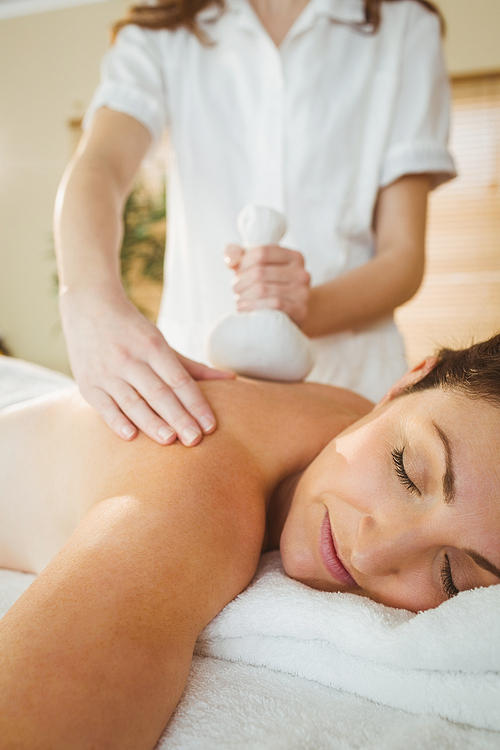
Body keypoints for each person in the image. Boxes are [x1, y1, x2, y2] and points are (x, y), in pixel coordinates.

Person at [1, 333, 500, 748]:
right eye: (406, 473)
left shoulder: (358, 415)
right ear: (408, 380)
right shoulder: (193, 503)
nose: (370, 554)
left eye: (450, 577)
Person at [54, 0, 456, 447]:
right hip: (202, 392)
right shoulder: (165, 26)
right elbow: (101, 164)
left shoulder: (403, 26)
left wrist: (304, 305)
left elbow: (402, 256)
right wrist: (88, 302)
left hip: (351, 388)